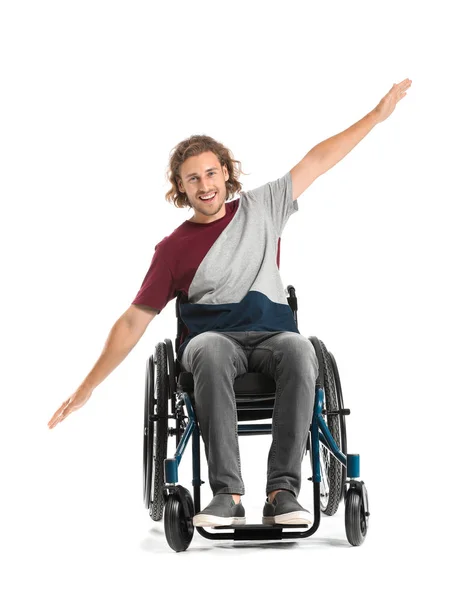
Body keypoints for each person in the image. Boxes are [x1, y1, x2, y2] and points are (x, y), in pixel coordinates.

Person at [48, 79, 412, 528]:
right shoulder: (172, 250)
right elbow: (132, 321)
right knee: (210, 350)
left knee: (301, 350)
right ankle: (227, 494)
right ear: (181, 188)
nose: (205, 185)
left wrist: (376, 116)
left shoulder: (263, 208)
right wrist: (89, 385)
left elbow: (318, 160)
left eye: (211, 173)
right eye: (193, 179)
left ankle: (283, 492)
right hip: (212, 342)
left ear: (226, 172)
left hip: (273, 336)